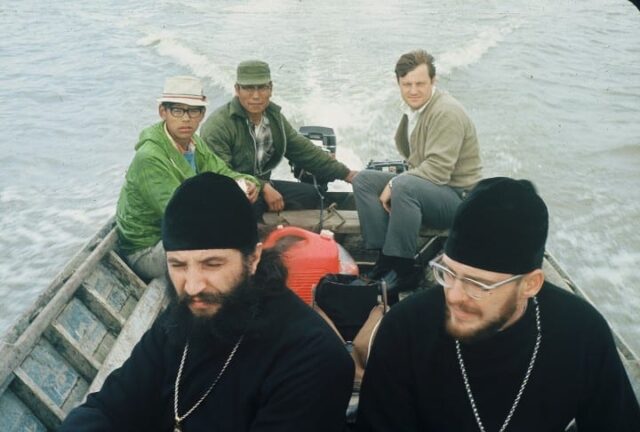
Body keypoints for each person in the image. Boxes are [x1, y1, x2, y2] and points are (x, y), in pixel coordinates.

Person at [61, 172, 355, 431]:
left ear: (253, 259)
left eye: (212, 264)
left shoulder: (313, 359)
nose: (192, 285)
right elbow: (106, 409)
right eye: (178, 265)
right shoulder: (183, 318)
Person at [356, 177, 640, 431]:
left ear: (530, 284)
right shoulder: (406, 328)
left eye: (478, 284)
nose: (453, 295)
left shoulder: (581, 333)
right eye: (448, 273)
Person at [352, 49, 482, 293]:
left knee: (403, 185)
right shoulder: (414, 109)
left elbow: (439, 171)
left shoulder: (446, 112)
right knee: (364, 181)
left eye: (420, 83)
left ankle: (403, 270)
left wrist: (394, 184)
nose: (413, 90)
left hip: (458, 198)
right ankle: (384, 260)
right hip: (431, 189)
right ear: (398, 83)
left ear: (434, 81)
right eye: (407, 84)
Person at [116, 76, 260, 281]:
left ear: (202, 114)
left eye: (193, 111)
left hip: (179, 234)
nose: (186, 119)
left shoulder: (193, 143)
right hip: (148, 249)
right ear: (162, 112)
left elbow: (222, 172)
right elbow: (180, 219)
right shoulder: (150, 157)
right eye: (177, 110)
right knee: (234, 257)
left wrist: (247, 183)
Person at [200, 60, 358, 218]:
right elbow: (219, 175)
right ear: (237, 89)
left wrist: (347, 174)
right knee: (248, 209)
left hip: (262, 187)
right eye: (248, 88)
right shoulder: (218, 126)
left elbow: (304, 151)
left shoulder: (274, 119)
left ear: (271, 89)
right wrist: (263, 187)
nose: (256, 96)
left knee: (313, 195)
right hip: (232, 193)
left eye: (262, 87)